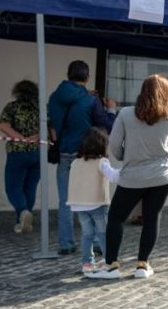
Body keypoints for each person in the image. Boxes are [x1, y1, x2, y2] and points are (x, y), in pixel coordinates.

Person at [88, 75, 168, 280]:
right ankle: (142, 266)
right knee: (151, 219)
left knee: (116, 218)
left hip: (133, 176)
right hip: (162, 177)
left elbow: (115, 145)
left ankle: (111, 266)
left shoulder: (126, 114)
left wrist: (126, 156)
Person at [49, 60, 117, 255]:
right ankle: (96, 241)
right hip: (87, 156)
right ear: (87, 78)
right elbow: (106, 124)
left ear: (68, 75)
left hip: (64, 152)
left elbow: (51, 122)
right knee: (92, 198)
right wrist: (111, 109)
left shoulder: (55, 97)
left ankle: (66, 244)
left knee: (65, 200)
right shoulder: (90, 99)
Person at [67, 128, 120, 275]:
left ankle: (87, 263)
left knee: (87, 234)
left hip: (78, 204)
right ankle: (108, 260)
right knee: (103, 233)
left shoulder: (75, 162)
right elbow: (114, 177)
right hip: (97, 203)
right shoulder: (102, 162)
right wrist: (126, 170)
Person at [0, 80, 41, 234]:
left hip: (17, 152)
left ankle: (23, 212)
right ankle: (23, 223)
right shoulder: (41, 108)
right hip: (37, 153)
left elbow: (3, 126)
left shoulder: (12, 107)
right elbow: (49, 129)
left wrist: (20, 137)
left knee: (13, 188)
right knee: (30, 187)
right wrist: (34, 137)